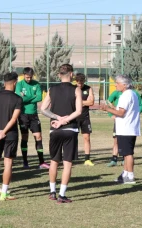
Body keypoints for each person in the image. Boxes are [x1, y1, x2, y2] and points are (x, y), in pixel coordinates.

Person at [40, 64, 82, 204]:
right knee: (67, 163)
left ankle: (52, 191)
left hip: (55, 130)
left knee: (54, 161)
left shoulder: (52, 89)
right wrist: (66, 120)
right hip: (70, 129)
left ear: (59, 75)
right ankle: (62, 195)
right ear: (71, 74)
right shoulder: (76, 89)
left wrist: (58, 118)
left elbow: (43, 109)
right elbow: (79, 111)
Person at [0, 72, 22, 201]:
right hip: (10, 135)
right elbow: (14, 119)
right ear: (14, 83)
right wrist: (4, 132)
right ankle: (4, 193)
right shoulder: (17, 99)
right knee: (8, 163)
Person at [100, 75, 141, 185]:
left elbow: (121, 113)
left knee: (128, 154)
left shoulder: (126, 95)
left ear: (124, 84)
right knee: (126, 153)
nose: (115, 85)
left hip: (126, 128)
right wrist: (113, 108)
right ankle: (126, 174)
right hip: (129, 127)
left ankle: (130, 176)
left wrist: (107, 109)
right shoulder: (132, 94)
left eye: (117, 83)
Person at [16, 67, 49, 169]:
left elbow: (39, 97)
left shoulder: (36, 84)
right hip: (23, 115)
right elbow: (20, 99)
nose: (29, 79)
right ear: (23, 75)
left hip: (34, 115)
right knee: (24, 138)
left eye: (30, 77)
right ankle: (25, 162)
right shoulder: (19, 84)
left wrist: (26, 97)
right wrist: (32, 96)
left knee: (38, 137)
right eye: (27, 77)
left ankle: (41, 162)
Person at [106, 86, 142, 167]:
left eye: (117, 83)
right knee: (116, 140)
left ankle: (125, 161)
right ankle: (114, 159)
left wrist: (134, 114)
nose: (116, 85)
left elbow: (141, 105)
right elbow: (108, 102)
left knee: (128, 147)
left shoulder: (133, 94)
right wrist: (111, 115)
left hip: (128, 124)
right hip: (119, 122)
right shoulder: (116, 93)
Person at [75, 73, 95, 166]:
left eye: (82, 83)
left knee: (87, 138)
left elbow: (91, 102)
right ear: (76, 81)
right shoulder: (73, 88)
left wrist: (79, 102)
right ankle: (72, 157)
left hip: (85, 117)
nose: (80, 85)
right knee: (72, 138)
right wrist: (84, 102)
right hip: (74, 117)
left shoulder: (88, 88)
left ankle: (87, 159)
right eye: (79, 83)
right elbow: (70, 101)